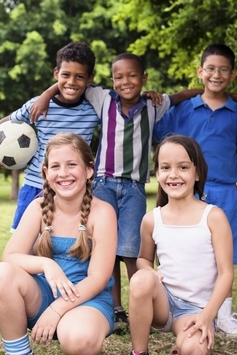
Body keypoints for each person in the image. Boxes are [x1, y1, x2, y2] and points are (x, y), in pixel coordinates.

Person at [30, 52, 203, 333]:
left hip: (134, 187)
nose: (126, 82)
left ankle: (140, 304)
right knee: (105, 248)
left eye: (133, 76)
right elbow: (71, 82)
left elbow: (182, 95)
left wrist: (217, 93)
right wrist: (45, 96)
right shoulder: (103, 98)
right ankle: (115, 306)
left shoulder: (153, 105)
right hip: (103, 182)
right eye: (119, 77)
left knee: (131, 249)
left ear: (144, 78)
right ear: (111, 80)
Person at [0, 132, 117, 355]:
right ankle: (19, 352)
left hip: (87, 300)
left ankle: (76, 328)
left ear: (88, 169)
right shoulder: (38, 207)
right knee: (0, 274)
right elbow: (10, 256)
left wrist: (57, 309)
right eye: (55, 166)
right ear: (46, 173)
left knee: (80, 340)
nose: (63, 173)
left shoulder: (102, 213)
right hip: (43, 294)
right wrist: (47, 265)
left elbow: (98, 278)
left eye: (72, 164)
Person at [154, 43, 237, 336]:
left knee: (227, 252)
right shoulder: (185, 109)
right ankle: (175, 304)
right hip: (188, 187)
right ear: (200, 72)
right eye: (211, 68)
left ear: (233, 74)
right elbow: (161, 138)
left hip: (227, 189)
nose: (216, 74)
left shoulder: (235, 111)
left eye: (224, 69)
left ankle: (222, 314)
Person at [0, 41, 100, 233]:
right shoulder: (39, 105)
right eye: (66, 75)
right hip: (36, 185)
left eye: (79, 77)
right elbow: (10, 119)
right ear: (56, 74)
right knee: (25, 242)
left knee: (64, 241)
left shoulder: (94, 109)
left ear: (90, 79)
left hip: (73, 189)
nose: (71, 82)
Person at [128, 135, 233, 355]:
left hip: (196, 310)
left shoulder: (213, 217)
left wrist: (207, 315)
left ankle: (184, 346)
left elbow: (226, 274)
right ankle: (139, 352)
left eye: (183, 167)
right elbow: (144, 259)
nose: (173, 175)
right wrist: (148, 271)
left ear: (197, 173)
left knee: (195, 349)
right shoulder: (152, 219)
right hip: (162, 304)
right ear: (157, 174)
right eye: (165, 167)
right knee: (140, 280)